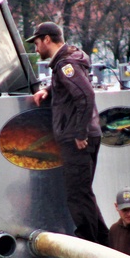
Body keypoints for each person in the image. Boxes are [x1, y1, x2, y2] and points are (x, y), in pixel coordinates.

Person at [27, 21, 109, 246]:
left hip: (78, 139)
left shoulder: (65, 63)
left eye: (36, 43)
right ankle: (104, 243)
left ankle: (87, 245)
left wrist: (79, 133)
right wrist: (49, 90)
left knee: (77, 194)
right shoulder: (68, 61)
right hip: (84, 135)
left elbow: (86, 95)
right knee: (83, 194)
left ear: (46, 39)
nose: (36, 49)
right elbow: (73, 87)